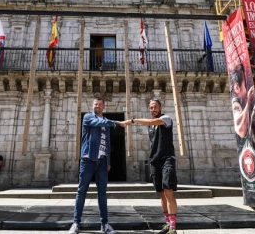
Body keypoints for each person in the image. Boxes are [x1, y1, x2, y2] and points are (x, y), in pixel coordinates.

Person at [69, 97, 125, 234]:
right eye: (95, 104)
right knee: (81, 191)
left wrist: (108, 162)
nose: (97, 106)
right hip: (88, 160)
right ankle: (76, 223)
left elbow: (107, 143)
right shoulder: (88, 117)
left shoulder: (105, 123)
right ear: (92, 105)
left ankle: (104, 224)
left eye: (100, 104)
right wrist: (118, 122)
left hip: (102, 162)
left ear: (103, 107)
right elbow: (99, 122)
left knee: (102, 194)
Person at [123, 99, 178, 234]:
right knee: (161, 193)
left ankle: (173, 227)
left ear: (160, 108)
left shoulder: (166, 119)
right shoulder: (151, 127)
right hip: (155, 161)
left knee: (168, 191)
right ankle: (167, 223)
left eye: (155, 107)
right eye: (151, 107)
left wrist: (133, 121)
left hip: (167, 159)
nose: (153, 109)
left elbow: (151, 121)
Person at [229, 64, 255, 139]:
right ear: (237, 87)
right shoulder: (236, 103)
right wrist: (249, 100)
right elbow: (240, 130)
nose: (250, 86)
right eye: (247, 84)